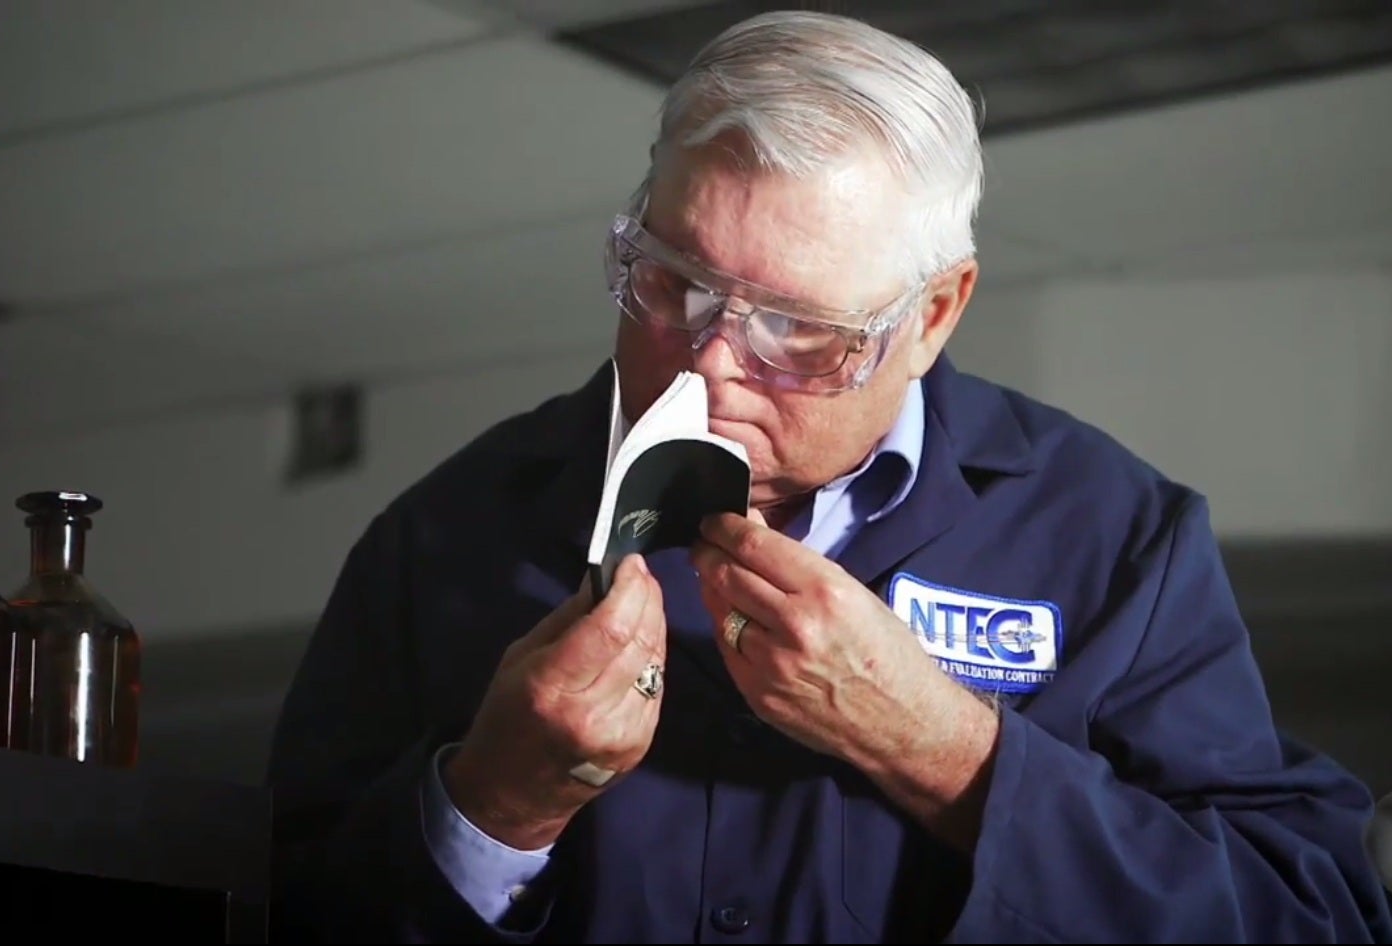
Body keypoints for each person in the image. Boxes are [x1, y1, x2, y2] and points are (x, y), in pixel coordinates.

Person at [266, 10, 1392, 943]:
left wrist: (945, 750)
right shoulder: (445, 533)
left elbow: (1312, 915)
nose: (709, 362)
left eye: (798, 331)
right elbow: (277, 909)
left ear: (932, 314)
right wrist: (492, 807)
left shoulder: (1114, 538)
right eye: (669, 281)